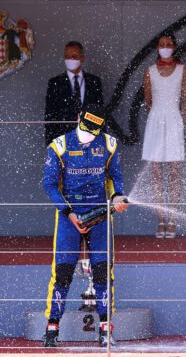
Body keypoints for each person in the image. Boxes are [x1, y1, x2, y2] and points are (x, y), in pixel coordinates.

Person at [42, 104, 129, 348]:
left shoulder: (110, 144)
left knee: (103, 271)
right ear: (78, 117)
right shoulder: (58, 146)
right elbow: (49, 185)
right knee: (62, 273)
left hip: (100, 217)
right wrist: (68, 212)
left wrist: (117, 197)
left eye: (95, 131)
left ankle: (105, 328)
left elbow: (115, 177)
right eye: (87, 128)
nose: (90, 136)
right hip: (69, 217)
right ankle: (52, 328)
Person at [142, 33, 186, 239]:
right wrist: (158, 114)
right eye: (162, 44)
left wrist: (179, 114)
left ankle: (171, 220)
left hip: (174, 119)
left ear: (174, 47)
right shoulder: (150, 71)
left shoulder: (183, 70)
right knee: (156, 174)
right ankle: (160, 219)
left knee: (173, 173)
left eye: (169, 44)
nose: (165, 47)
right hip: (155, 121)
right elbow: (147, 100)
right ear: (157, 47)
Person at [44, 41, 104, 145]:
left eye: (74, 56)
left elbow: (100, 111)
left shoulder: (94, 81)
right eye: (67, 56)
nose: (70, 59)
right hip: (63, 139)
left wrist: (102, 140)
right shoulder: (55, 83)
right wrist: (51, 142)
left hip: (90, 139)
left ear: (82, 58)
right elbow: (49, 115)